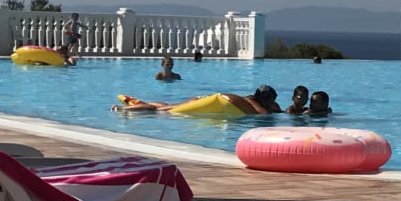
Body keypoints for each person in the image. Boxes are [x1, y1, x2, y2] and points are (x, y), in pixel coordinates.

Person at [114, 85, 282, 115]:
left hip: (206, 100)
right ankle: (121, 109)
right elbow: (262, 114)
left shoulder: (250, 99)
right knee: (159, 111)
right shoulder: (254, 102)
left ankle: (142, 103)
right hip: (213, 101)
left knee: (168, 106)